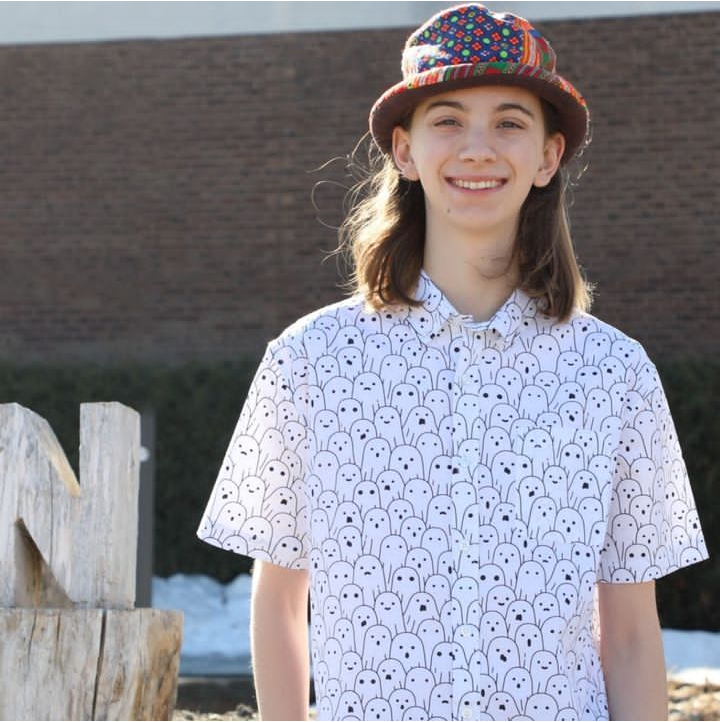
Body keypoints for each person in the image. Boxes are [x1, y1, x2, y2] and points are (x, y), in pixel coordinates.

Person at [196, 4, 709, 720]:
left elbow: (627, 635)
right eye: (447, 120)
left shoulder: (615, 375)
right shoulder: (309, 363)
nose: (477, 148)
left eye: (509, 121)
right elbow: (280, 604)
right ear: (403, 152)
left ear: (548, 156)